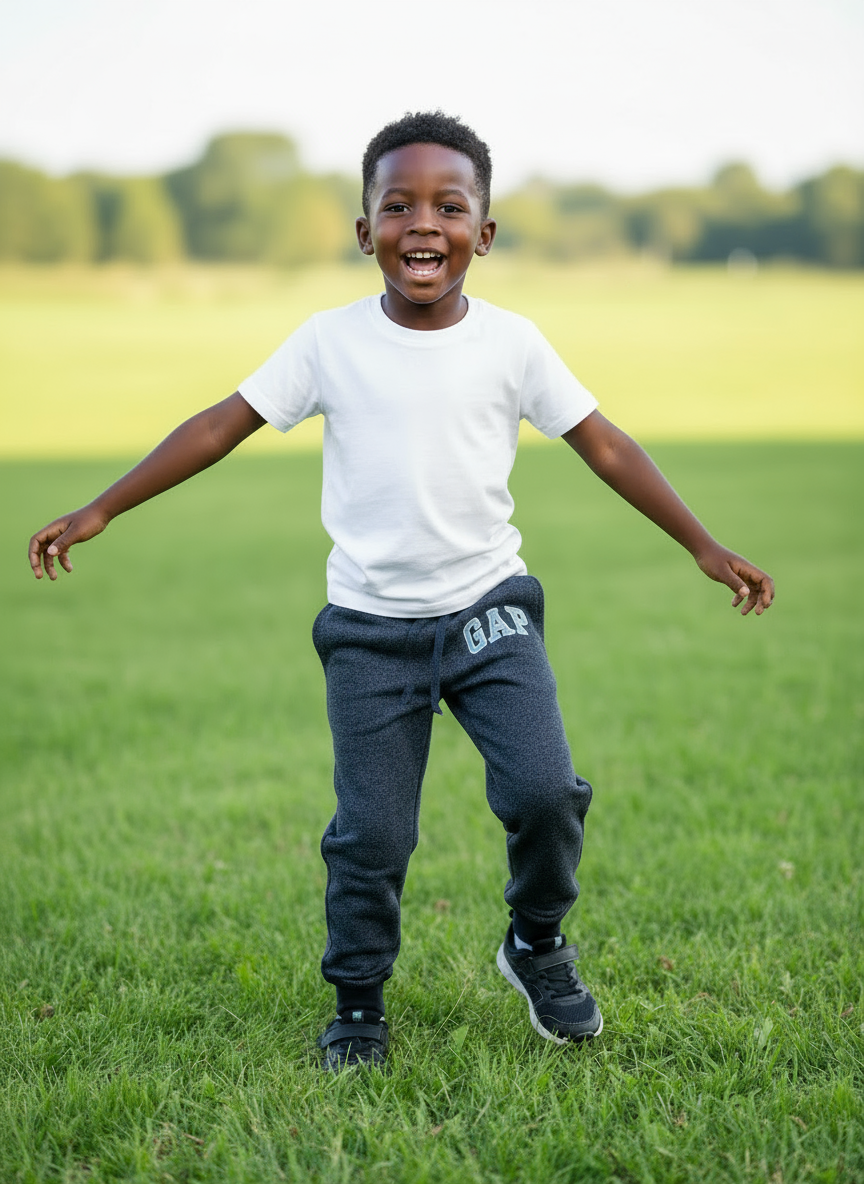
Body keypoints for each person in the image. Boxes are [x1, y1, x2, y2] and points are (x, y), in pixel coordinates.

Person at [28, 111, 774, 1072]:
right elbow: (220, 424)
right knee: (373, 835)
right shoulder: (327, 342)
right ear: (365, 230)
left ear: (485, 234)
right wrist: (102, 509)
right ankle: (358, 1006)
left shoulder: (514, 344)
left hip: (491, 611)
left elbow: (604, 443)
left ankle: (537, 943)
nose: (424, 223)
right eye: (398, 205)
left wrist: (703, 545)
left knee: (546, 791)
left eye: (449, 206)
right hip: (370, 631)